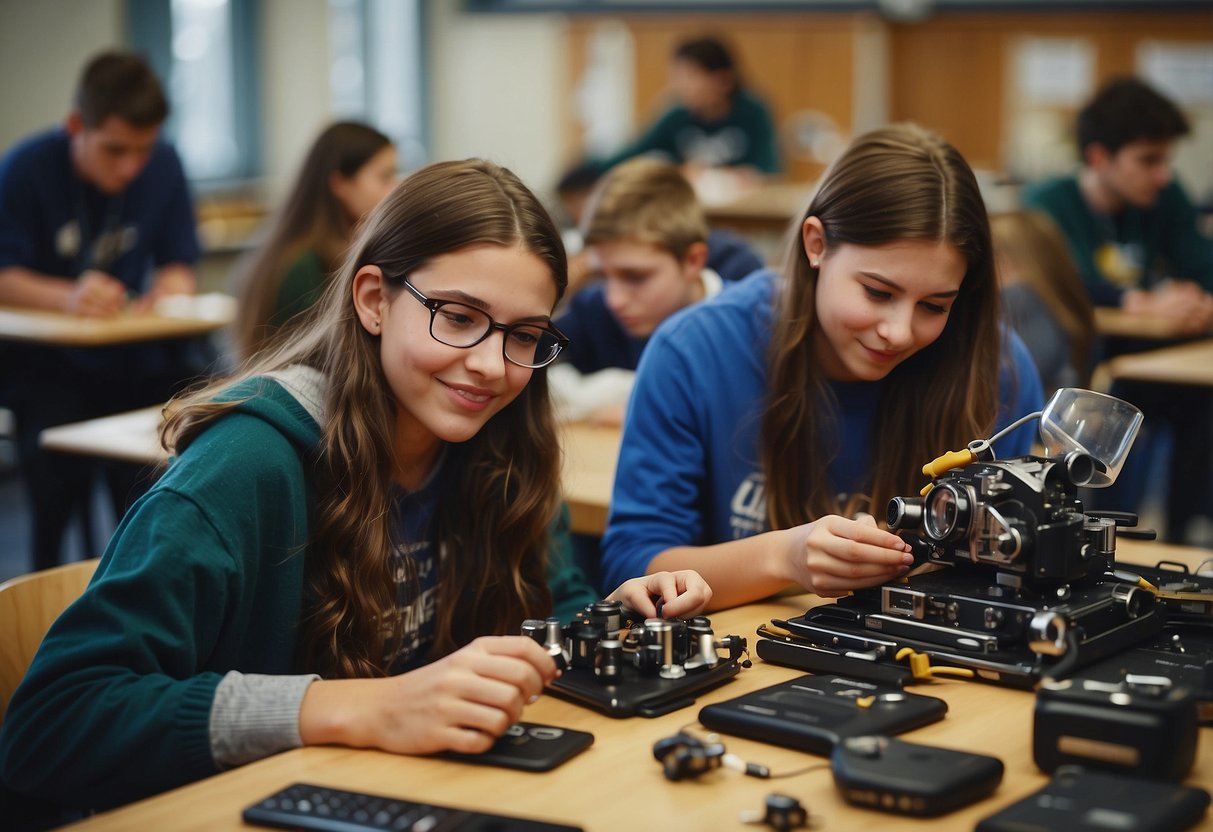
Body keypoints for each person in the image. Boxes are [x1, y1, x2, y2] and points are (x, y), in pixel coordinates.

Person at [0, 159, 711, 827]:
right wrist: (351, 708)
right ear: (373, 300)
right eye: (457, 317)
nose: (492, 366)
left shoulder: (502, 446)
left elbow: (538, 615)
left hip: (404, 796)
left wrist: (599, 624)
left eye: (524, 335)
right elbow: (52, 722)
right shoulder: (246, 468)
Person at [599, 124, 1044, 610]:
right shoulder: (694, 351)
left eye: (934, 306)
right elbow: (633, 563)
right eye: (878, 292)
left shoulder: (997, 371)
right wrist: (783, 557)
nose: (898, 331)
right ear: (816, 244)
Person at [0, 51, 202, 572]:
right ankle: (41, 590)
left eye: (143, 150)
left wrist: (169, 287)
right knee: (52, 497)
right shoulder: (26, 169)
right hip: (47, 370)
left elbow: (180, 263)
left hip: (132, 362)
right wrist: (65, 297)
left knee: (155, 482)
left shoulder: (165, 164)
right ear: (75, 127)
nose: (130, 166)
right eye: (114, 150)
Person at [1022, 76, 1213, 543]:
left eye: (1165, 160)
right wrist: (1140, 300)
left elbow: (1203, 264)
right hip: (1090, 367)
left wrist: (1196, 301)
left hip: (1158, 360)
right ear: (1098, 157)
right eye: (1148, 161)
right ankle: (1102, 535)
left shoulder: (1163, 200)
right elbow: (1068, 284)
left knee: (1204, 404)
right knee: (1117, 411)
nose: (1163, 175)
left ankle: (1181, 539)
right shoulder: (1049, 203)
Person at [551, 156, 764, 425]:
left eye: (635, 277)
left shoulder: (747, 318)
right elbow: (533, 377)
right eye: (604, 276)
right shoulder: (594, 308)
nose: (614, 300)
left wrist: (639, 398)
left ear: (692, 262)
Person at [231, 121, 397, 360]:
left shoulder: (304, 249)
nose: (394, 189)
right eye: (384, 177)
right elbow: (333, 357)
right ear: (341, 184)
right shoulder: (303, 266)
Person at [584, 35, 780, 181]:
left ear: (723, 80)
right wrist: (587, 168)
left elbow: (770, 169)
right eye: (677, 77)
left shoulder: (754, 111)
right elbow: (633, 152)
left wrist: (732, 177)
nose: (681, 86)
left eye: (690, 76)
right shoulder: (676, 115)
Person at [991, 210, 1096, 396]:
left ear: (1002, 262)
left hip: (1030, 420)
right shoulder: (1058, 300)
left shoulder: (1018, 299)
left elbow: (1006, 385)